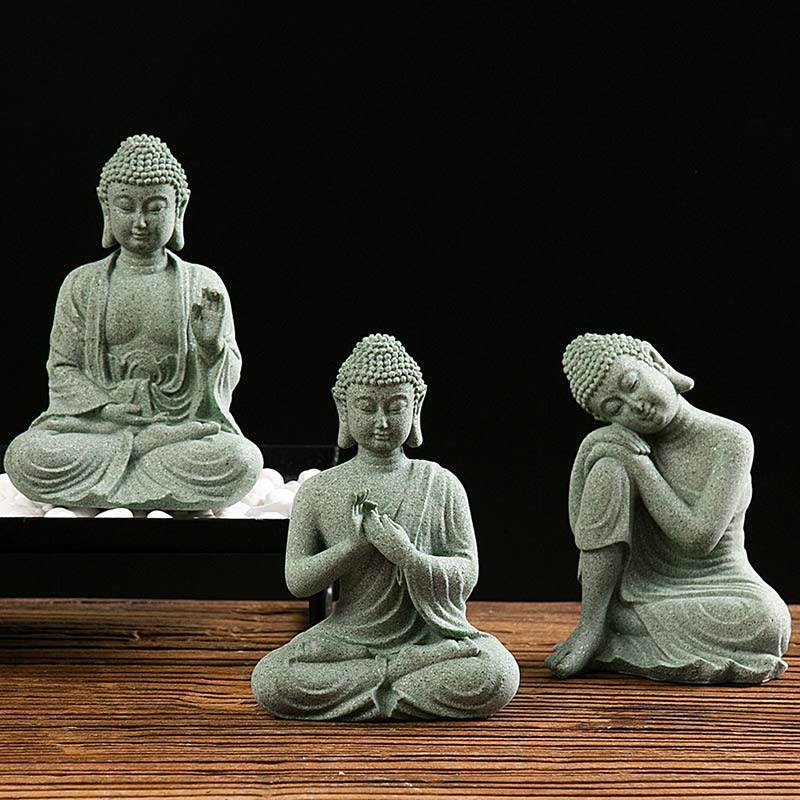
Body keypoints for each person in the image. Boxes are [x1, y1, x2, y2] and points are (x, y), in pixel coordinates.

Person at [251, 333, 519, 720]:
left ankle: (377, 687)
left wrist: (407, 556)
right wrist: (352, 548)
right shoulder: (319, 490)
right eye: (366, 406)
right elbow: (298, 580)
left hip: (426, 636)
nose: (381, 422)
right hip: (349, 638)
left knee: (497, 672)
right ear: (343, 408)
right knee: (272, 680)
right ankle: (400, 680)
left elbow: (467, 571)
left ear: (416, 407)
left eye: (395, 407)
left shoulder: (441, 484)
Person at [4, 135, 262, 510]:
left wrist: (211, 348)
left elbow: (220, 388)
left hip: (176, 427)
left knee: (240, 459)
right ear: (106, 209)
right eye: (126, 207)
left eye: (155, 208)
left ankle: (124, 470)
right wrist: (107, 409)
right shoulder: (82, 284)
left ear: (179, 208)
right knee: (27, 454)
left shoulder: (202, 283)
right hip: (103, 428)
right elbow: (62, 368)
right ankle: (140, 453)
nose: (140, 221)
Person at [546, 333, 791, 684]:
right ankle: (594, 624)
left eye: (631, 384)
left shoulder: (730, 440)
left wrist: (640, 466)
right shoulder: (617, 451)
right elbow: (582, 529)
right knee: (607, 468)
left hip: (723, 585)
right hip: (643, 588)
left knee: (768, 620)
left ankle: (617, 628)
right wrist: (590, 451)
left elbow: (699, 539)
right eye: (615, 409)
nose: (635, 406)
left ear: (655, 361)